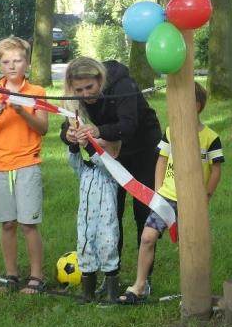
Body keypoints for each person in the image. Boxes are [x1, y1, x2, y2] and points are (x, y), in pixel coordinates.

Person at [118, 82, 223, 304]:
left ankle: (194, 291)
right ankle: (139, 285)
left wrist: (206, 196)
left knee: (190, 245)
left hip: (192, 201)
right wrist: (157, 191)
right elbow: (162, 160)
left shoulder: (211, 137)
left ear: (196, 105)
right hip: (166, 197)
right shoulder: (170, 131)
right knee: (147, 237)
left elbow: (216, 169)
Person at [59, 58, 162, 278]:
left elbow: (129, 124)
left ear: (101, 80)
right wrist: (69, 136)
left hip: (142, 148)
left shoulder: (122, 85)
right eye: (79, 90)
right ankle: (112, 272)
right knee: (110, 212)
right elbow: (65, 130)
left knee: (142, 211)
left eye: (90, 87)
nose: (86, 94)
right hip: (111, 155)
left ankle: (145, 277)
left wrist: (98, 131)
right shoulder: (75, 98)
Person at [0, 36, 49, 293]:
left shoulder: (36, 93)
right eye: (6, 61)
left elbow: (42, 127)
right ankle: (11, 275)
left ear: (27, 63)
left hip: (27, 164)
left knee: (28, 224)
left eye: (18, 60)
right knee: (7, 223)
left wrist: (22, 111)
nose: (12, 66)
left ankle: (36, 276)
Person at [62, 58, 123, 304]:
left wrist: (97, 146)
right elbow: (74, 162)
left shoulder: (111, 170)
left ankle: (111, 290)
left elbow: (105, 160)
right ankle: (87, 291)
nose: (84, 93)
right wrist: (75, 142)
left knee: (108, 246)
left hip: (106, 220)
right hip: (85, 219)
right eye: (80, 89)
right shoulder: (86, 171)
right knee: (85, 246)